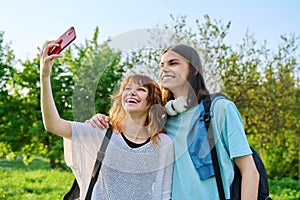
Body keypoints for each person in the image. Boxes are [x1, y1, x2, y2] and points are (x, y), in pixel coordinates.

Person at [88, 44, 260, 199]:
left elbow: (250, 172)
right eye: (162, 65)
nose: (164, 69)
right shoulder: (162, 118)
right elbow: (128, 131)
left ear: (194, 70)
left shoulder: (219, 109)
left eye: (173, 63)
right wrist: (102, 120)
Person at [40, 40, 174, 200]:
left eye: (140, 89)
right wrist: (45, 76)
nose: (132, 93)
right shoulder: (102, 130)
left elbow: (164, 193)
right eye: (127, 89)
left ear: (152, 101)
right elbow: (53, 125)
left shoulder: (163, 143)